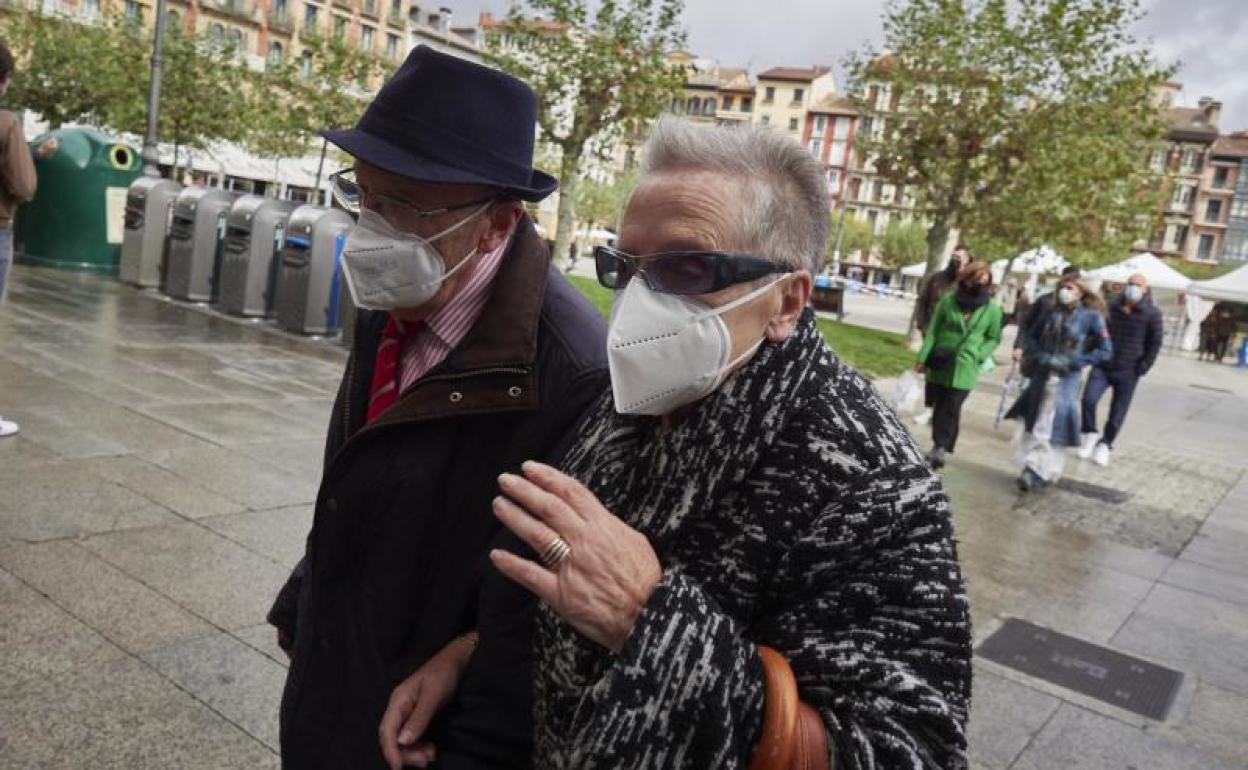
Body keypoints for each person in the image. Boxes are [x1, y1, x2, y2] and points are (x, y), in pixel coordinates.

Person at [488, 118, 972, 769]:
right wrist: (468, 659)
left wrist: (651, 622)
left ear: (788, 303)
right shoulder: (643, 399)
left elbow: (914, 752)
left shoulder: (872, 485)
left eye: (687, 267)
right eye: (623, 266)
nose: (637, 301)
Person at [268, 46, 609, 770]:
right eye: (365, 196)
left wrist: (465, 670)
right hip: (334, 687)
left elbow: (542, 614)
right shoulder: (394, 298)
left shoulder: (573, 374)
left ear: (497, 223)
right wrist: (310, 593)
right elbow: (368, 471)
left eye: (407, 206)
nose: (374, 231)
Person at [1007, 275, 1112, 491]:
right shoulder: (1050, 312)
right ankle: (1030, 466)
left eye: (1070, 288)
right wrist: (1037, 354)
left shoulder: (1091, 317)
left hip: (1067, 379)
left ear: (1081, 292)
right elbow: (1032, 336)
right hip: (1042, 375)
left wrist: (1079, 361)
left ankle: (1042, 470)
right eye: (1063, 287)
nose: (1065, 291)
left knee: (1055, 425)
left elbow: (1105, 349)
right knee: (1036, 421)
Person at [915, 261, 1004, 469]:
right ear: (966, 278)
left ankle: (940, 447)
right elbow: (934, 331)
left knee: (952, 407)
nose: (980, 283)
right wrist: (922, 358)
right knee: (938, 405)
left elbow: (994, 338)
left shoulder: (991, 309)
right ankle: (940, 443)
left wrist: (979, 354)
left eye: (985, 280)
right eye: (976, 278)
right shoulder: (948, 301)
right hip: (940, 360)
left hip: (966, 365)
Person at [1078, 273, 1163, 467]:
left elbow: (1155, 343)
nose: (1133, 288)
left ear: (1145, 289)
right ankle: (1090, 432)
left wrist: (1142, 367)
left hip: (1128, 369)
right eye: (1130, 284)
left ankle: (1106, 444)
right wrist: (1089, 355)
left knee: (1118, 412)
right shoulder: (1112, 307)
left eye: (1138, 285)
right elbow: (1097, 332)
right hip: (1103, 365)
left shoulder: (1152, 314)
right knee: (1088, 399)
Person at [913, 244, 971, 425]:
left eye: (960, 258)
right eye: (954, 257)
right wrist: (922, 325)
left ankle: (941, 410)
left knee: (949, 376)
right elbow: (922, 301)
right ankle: (930, 408)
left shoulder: (967, 284)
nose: (956, 261)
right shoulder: (937, 279)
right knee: (931, 373)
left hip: (955, 340)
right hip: (932, 333)